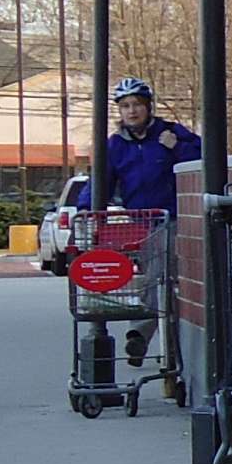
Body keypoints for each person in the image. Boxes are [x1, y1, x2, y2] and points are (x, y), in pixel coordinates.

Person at [77, 77, 201, 366]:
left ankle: (140, 333)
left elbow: (204, 158)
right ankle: (156, 345)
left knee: (161, 276)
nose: (132, 111)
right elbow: (101, 181)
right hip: (139, 223)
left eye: (137, 105)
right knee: (157, 282)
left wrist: (176, 148)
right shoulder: (116, 145)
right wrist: (85, 210)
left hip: (172, 219)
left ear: (148, 107)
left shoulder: (171, 133)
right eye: (125, 106)